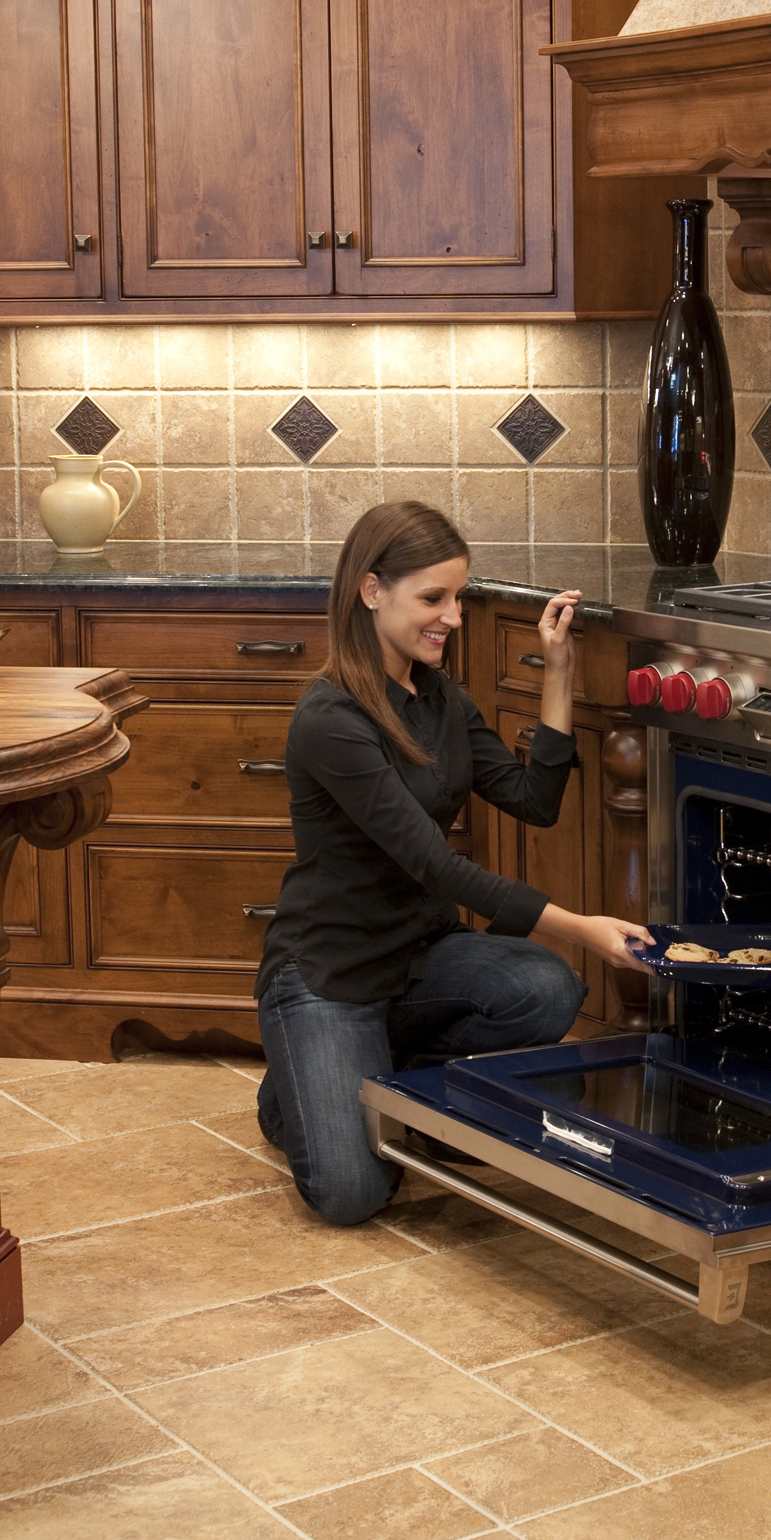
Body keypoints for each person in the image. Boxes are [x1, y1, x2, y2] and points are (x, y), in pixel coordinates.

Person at [255, 499, 653, 1225]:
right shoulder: (330, 719)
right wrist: (584, 927)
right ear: (372, 591)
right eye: (433, 598)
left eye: (459, 598)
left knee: (545, 988)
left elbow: (534, 800)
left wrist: (559, 669)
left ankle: (385, 1077)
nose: (454, 617)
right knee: (352, 1195)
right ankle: (293, 1092)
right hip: (330, 973)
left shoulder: (440, 697)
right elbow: (435, 866)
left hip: (420, 956)